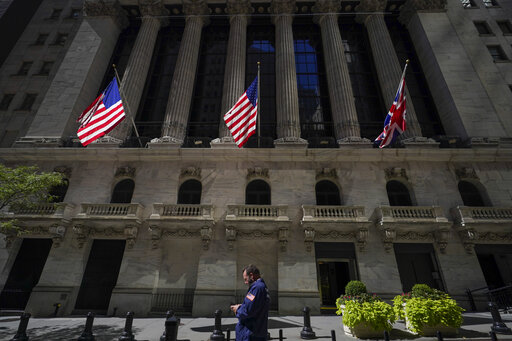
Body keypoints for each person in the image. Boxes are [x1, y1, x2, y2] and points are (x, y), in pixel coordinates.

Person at [230, 264, 270, 341]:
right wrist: (242, 306)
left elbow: (247, 311)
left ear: (251, 275)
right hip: (257, 331)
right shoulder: (262, 287)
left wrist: (237, 309)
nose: (245, 282)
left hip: (250, 333)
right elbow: (256, 305)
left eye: (245, 279)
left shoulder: (257, 288)